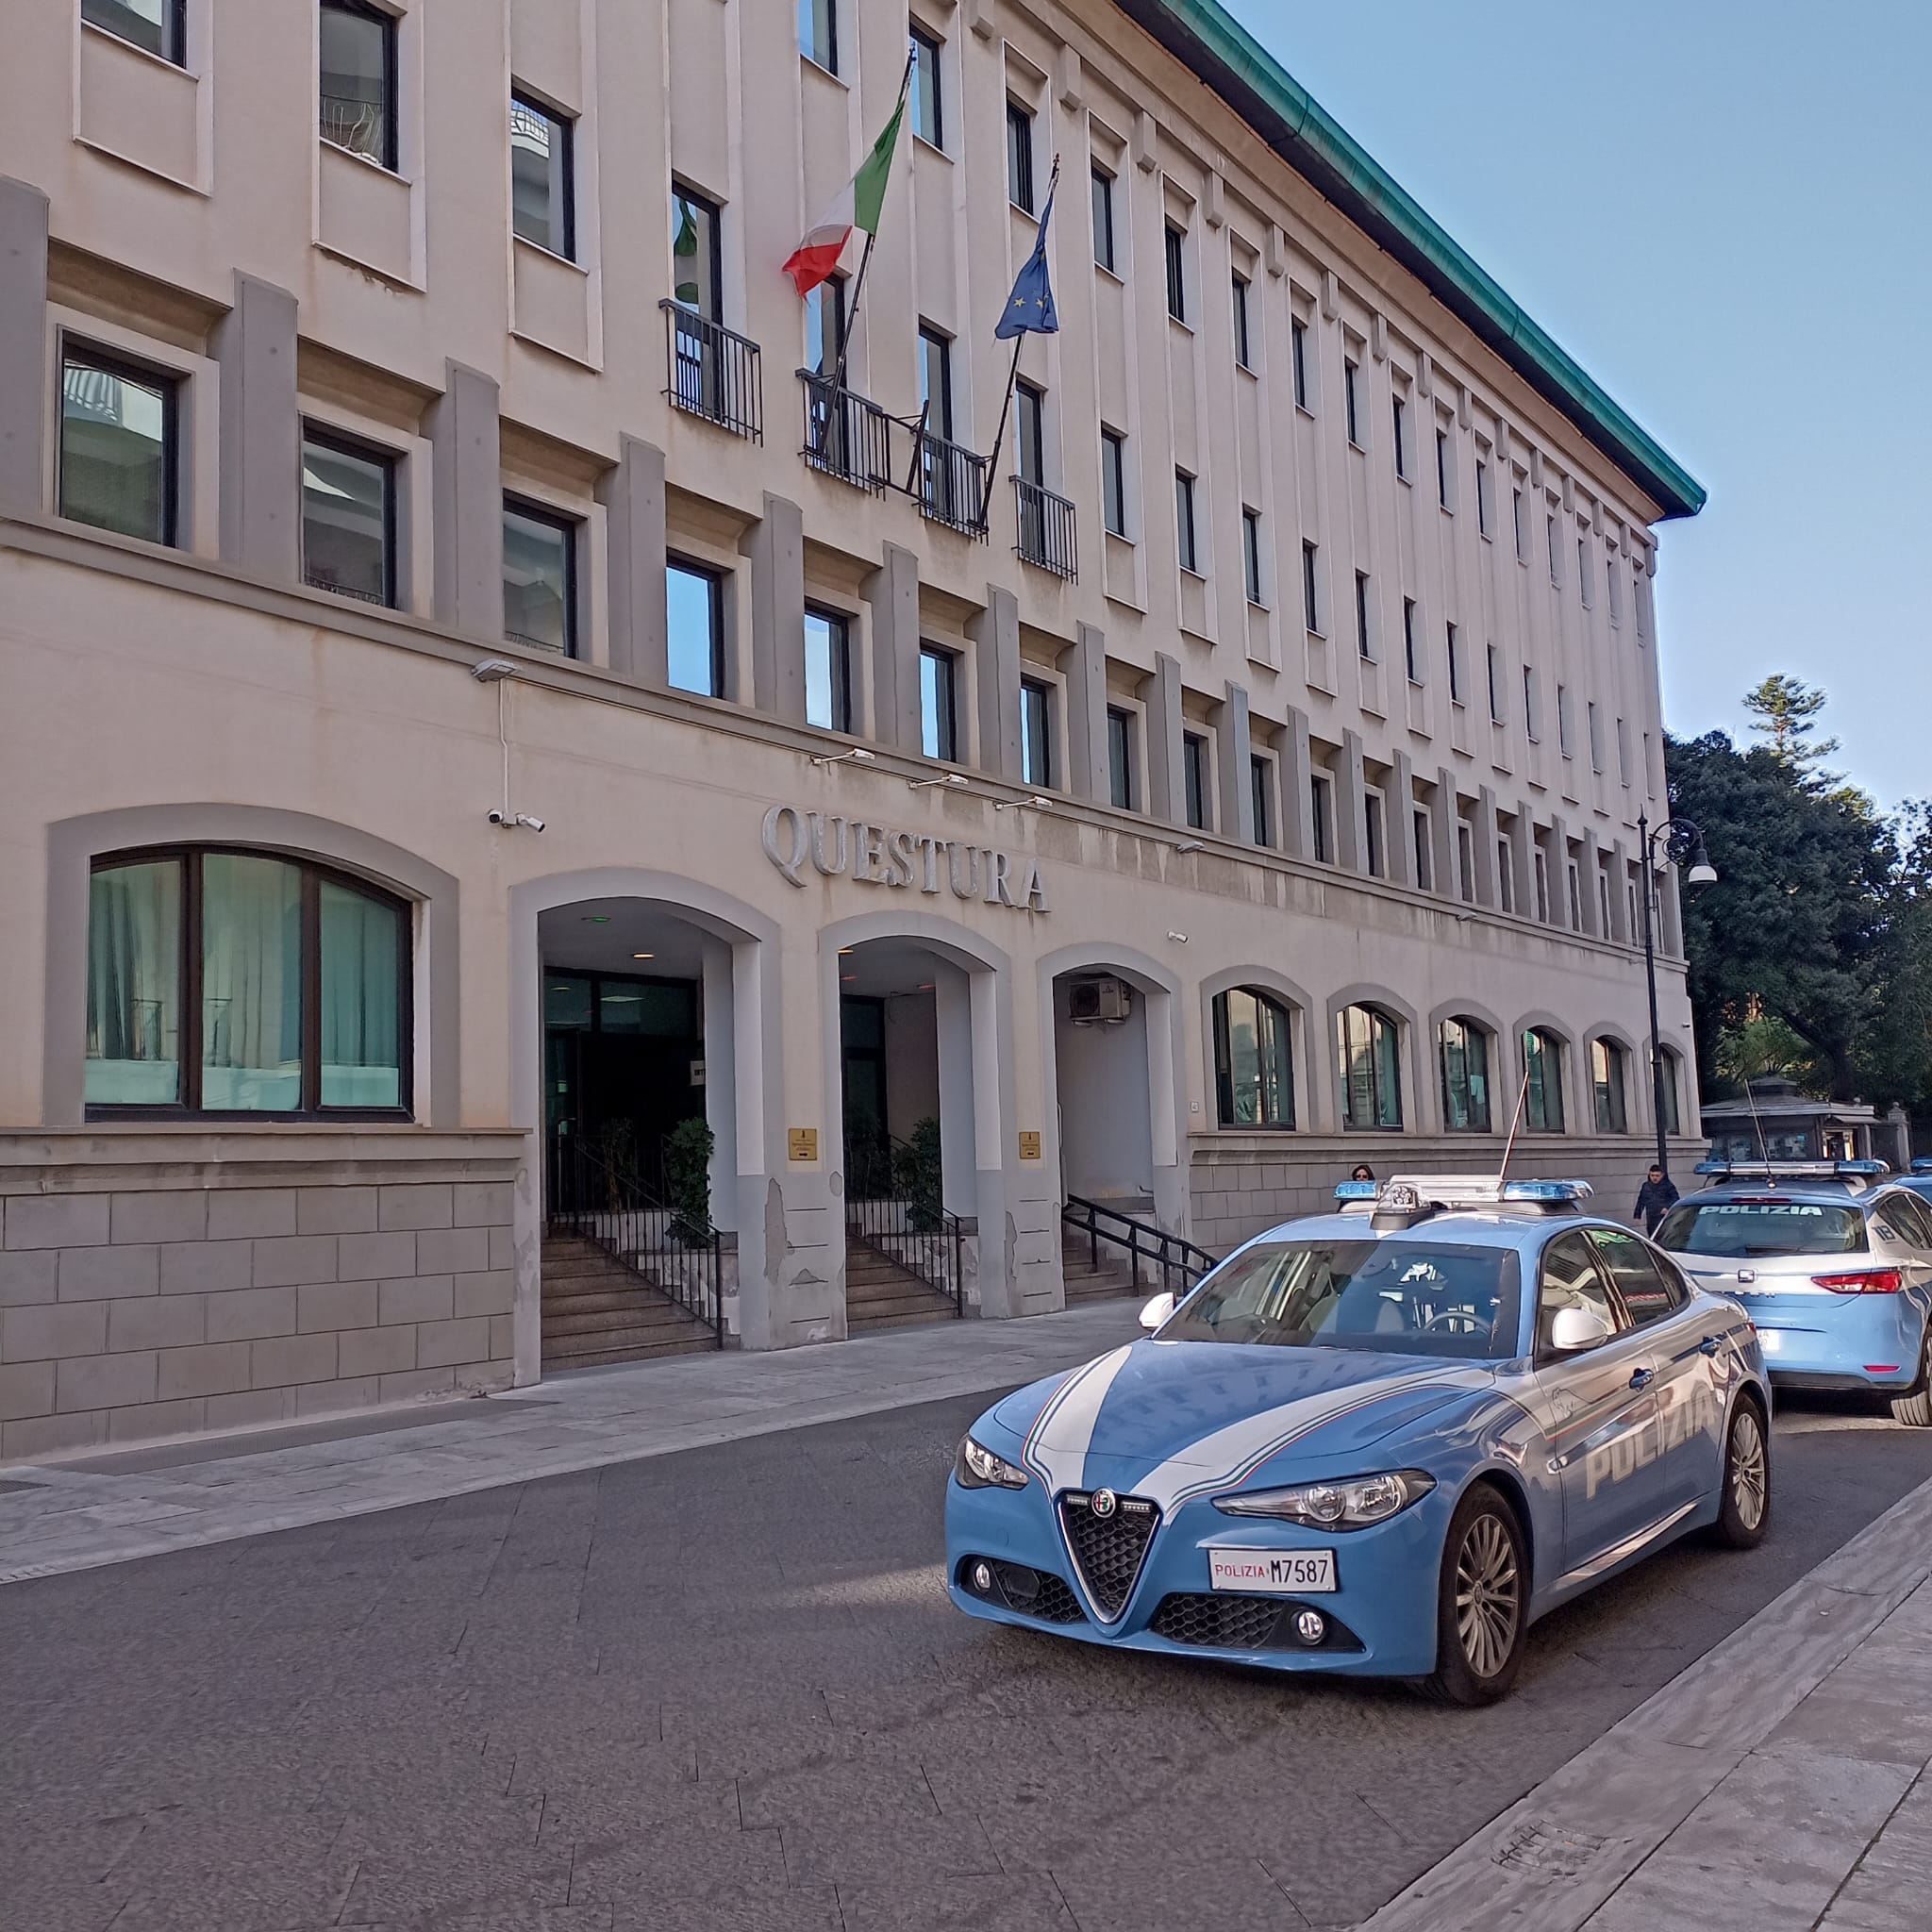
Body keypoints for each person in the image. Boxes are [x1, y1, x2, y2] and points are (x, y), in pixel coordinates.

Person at [1634, 1164, 1679, 1235]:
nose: (1654, 1178)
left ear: (1662, 1175)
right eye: (1652, 1175)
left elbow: (1675, 1198)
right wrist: (1637, 1215)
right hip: (1651, 1217)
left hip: (1663, 1218)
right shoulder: (1646, 1186)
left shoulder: (1668, 1186)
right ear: (1649, 1175)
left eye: (1657, 1176)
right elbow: (1641, 1201)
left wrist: (1667, 1207)